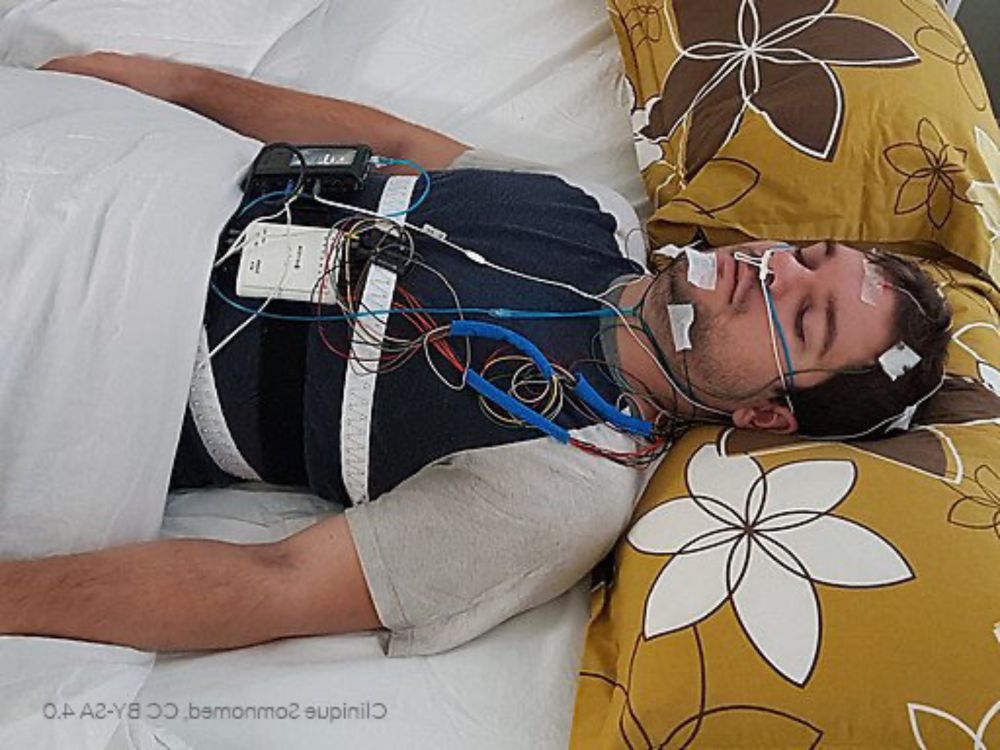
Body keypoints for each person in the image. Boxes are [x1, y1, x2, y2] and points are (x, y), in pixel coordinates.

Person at [0, 53, 950, 658]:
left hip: (94, 347)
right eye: (805, 256)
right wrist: (175, 87)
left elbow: (275, 584)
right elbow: (390, 143)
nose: (771, 272)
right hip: (135, 173)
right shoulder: (586, 210)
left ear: (767, 414)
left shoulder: (565, 483)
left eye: (806, 317)